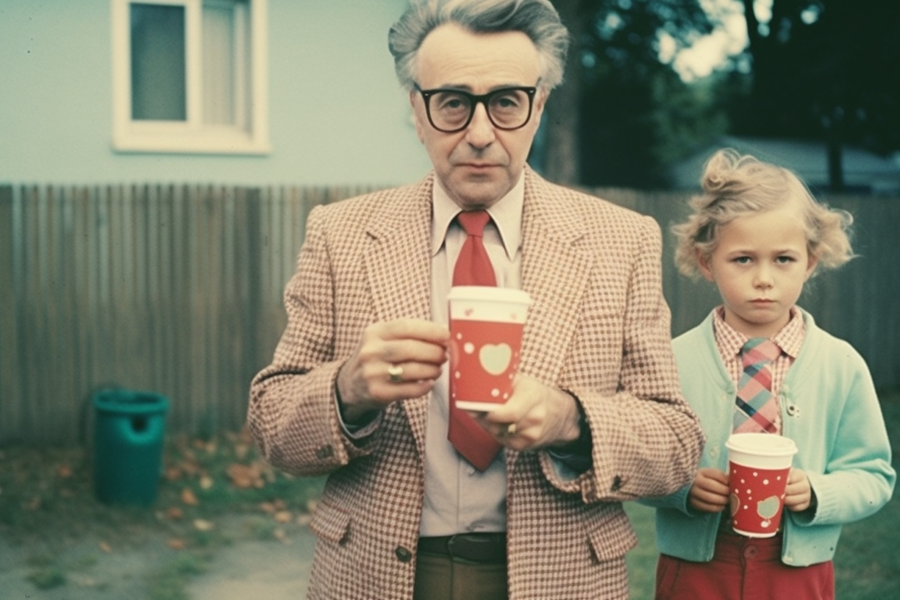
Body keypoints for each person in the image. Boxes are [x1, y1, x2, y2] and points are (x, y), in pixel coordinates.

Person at [248, 1, 703, 598]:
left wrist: (570, 420)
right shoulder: (342, 234)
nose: (481, 135)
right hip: (376, 578)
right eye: (454, 103)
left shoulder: (621, 241)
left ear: (538, 106)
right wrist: (347, 389)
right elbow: (272, 424)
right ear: (417, 109)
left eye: (507, 102)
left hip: (560, 580)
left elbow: (675, 445)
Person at [643, 149, 896, 600]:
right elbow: (635, 462)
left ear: (811, 262)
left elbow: (874, 474)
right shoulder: (669, 360)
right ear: (706, 262)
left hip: (797, 572)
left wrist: (818, 492)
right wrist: (681, 488)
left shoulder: (842, 366)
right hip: (696, 570)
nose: (764, 278)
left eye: (783, 259)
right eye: (743, 259)